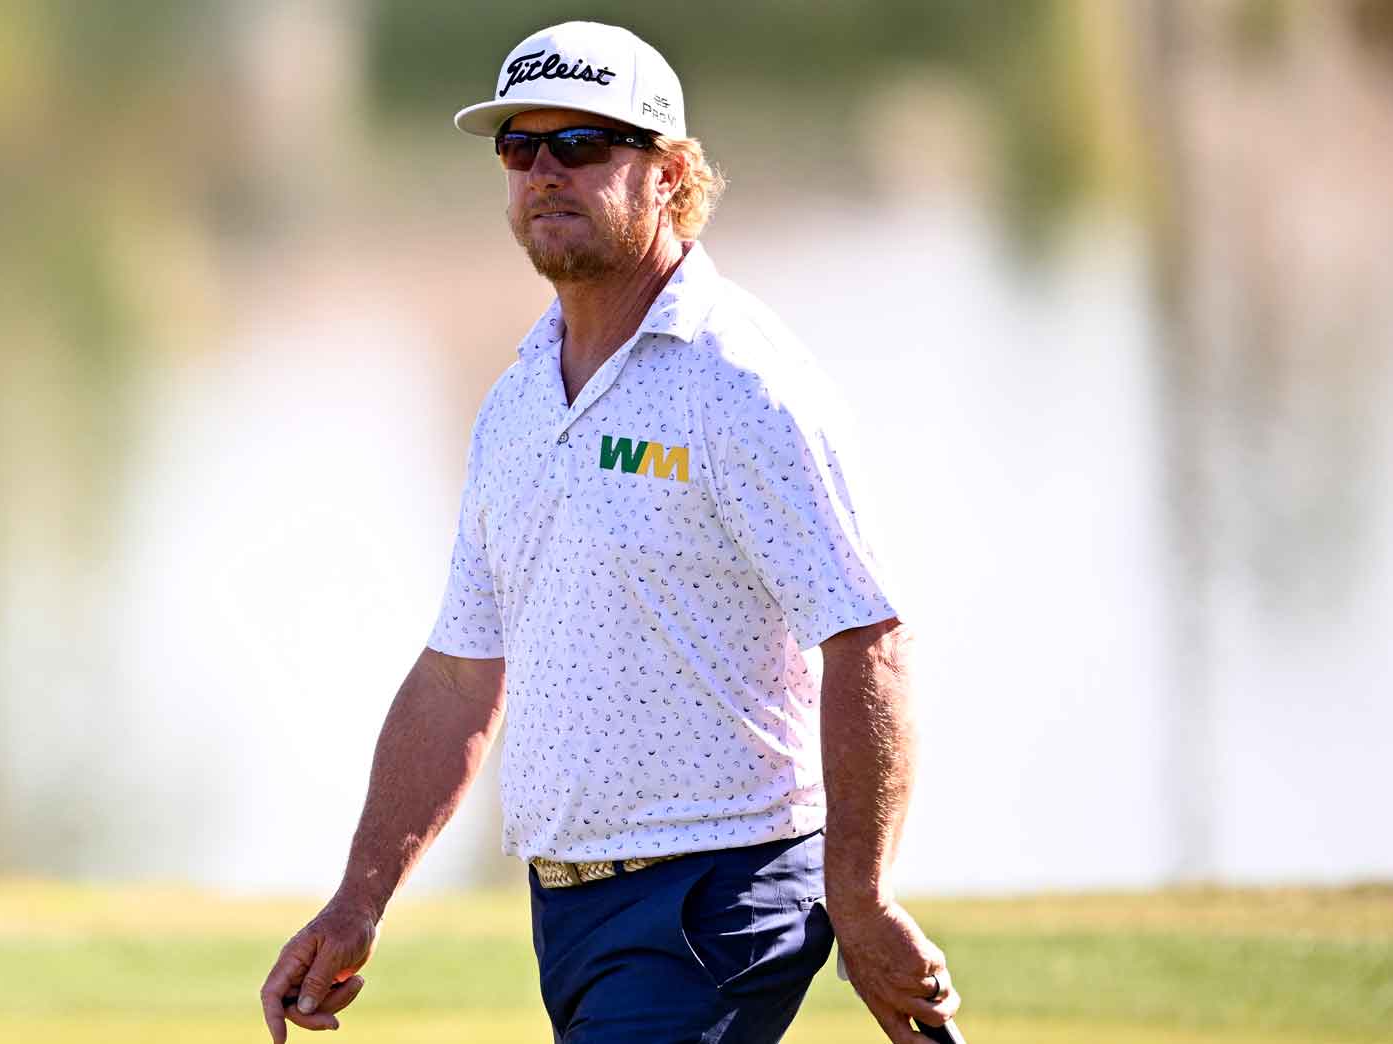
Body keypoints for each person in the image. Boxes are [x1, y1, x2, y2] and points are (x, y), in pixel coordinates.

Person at [260, 20, 960, 1044]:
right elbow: (459, 674)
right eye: (518, 147)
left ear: (671, 173)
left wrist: (859, 898)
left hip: (717, 894)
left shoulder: (739, 384)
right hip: (569, 908)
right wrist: (357, 901)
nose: (544, 171)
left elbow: (864, 636)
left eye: (581, 144)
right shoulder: (514, 403)